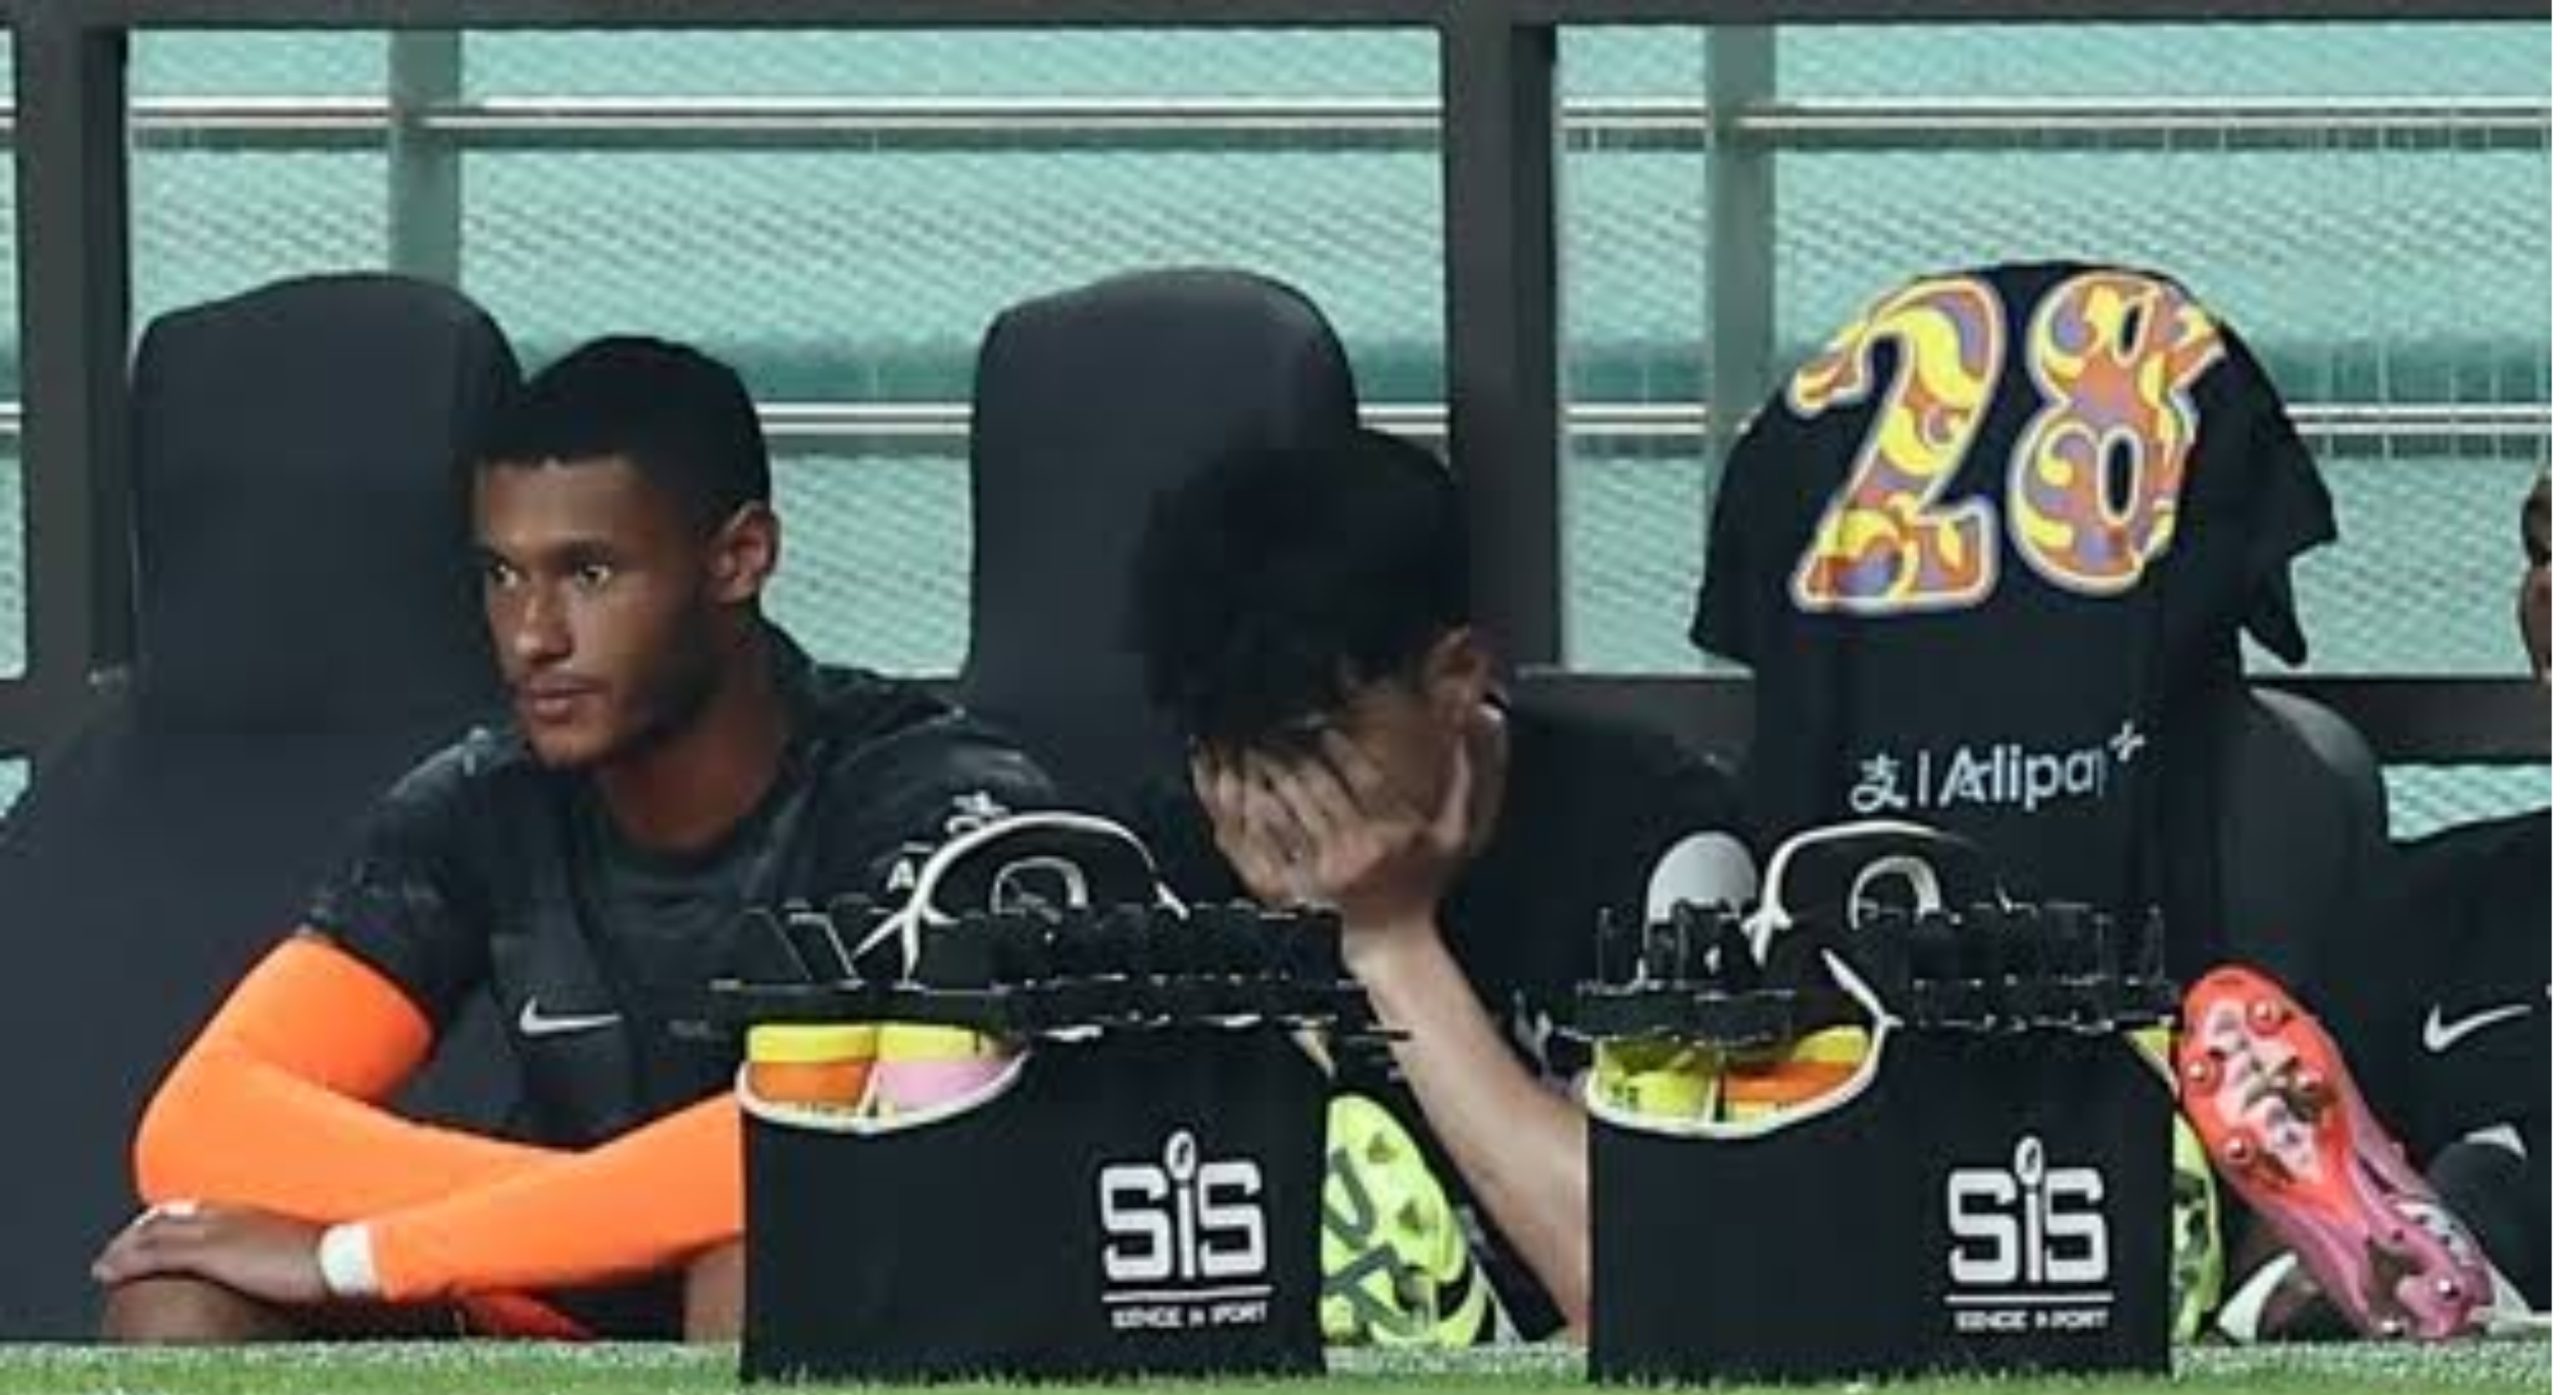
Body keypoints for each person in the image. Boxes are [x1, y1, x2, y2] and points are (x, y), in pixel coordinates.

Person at [90, 337, 1054, 1342]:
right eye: (502, 575)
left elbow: (848, 1146)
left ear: (739, 558)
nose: (531, 635)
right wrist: (606, 1221)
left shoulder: (922, 793)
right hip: (548, 1292)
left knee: (766, 1257)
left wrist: (364, 1254)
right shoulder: (482, 799)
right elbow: (202, 1123)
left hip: (852, 1291)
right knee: (174, 1299)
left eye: (589, 573)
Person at [1126, 428, 1748, 1341]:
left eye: (1308, 745)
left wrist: (1388, 940)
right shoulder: (1168, 864)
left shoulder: (1660, 849)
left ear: (1456, 677)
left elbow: (1653, 1289)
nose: (1271, 803)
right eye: (1223, 750)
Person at [2183, 466, 2551, 1341]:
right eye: (2539, 550)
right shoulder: (2429, 905)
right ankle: (2450, 1271)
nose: (2548, 586)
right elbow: (2291, 1220)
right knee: (2481, 1179)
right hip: (2455, 1310)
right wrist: (2302, 1276)